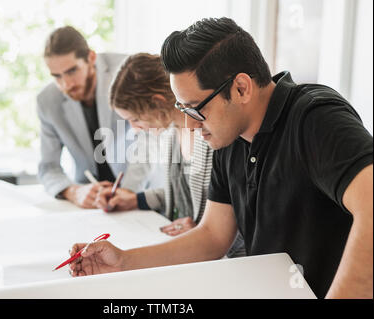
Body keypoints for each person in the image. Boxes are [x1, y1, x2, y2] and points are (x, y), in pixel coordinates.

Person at [67, 18, 373, 299]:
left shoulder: (313, 117)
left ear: (241, 88)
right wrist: (123, 260)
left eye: (196, 109)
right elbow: (213, 236)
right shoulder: (229, 138)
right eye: (183, 109)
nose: (189, 124)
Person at [94, 53, 245, 256]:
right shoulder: (171, 133)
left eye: (136, 119)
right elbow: (180, 195)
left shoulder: (212, 136)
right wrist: (134, 200)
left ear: (157, 103)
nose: (135, 129)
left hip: (220, 258)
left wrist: (203, 232)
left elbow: (238, 212)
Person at [37, 26, 156, 208]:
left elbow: (149, 137)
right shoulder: (47, 101)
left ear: (91, 58)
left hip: (138, 189)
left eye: (72, 71)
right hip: (88, 198)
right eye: (56, 76)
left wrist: (128, 191)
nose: (66, 84)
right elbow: (48, 167)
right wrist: (73, 191)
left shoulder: (127, 72)